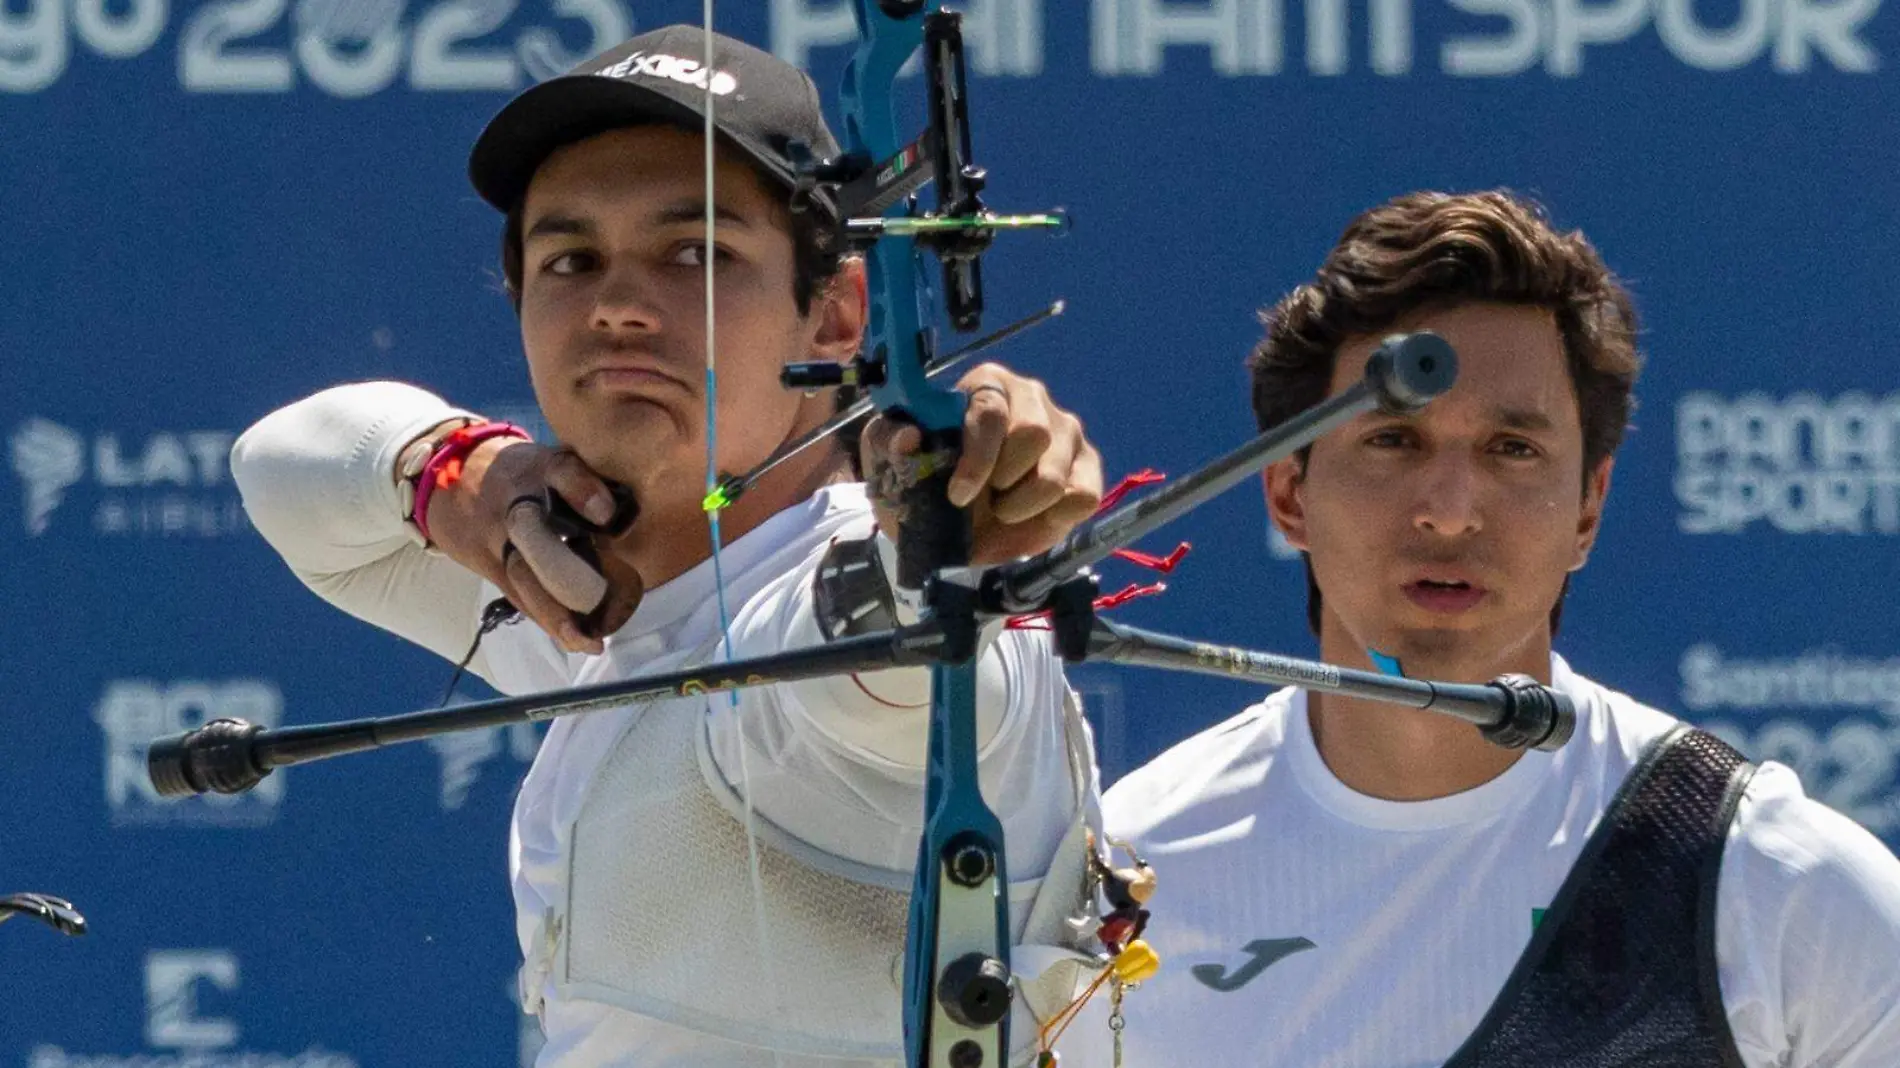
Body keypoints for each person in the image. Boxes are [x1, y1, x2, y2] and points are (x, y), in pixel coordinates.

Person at [232, 25, 1114, 1068]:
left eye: (697, 254)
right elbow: (280, 469)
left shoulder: (833, 611)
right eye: (571, 260)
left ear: (836, 314)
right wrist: (459, 474)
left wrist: (944, 535)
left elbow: (880, 661)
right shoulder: (582, 601)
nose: (615, 306)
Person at [1074, 190, 1900, 1067]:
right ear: (1289, 493)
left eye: (1513, 450)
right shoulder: (1135, 873)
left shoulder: (1770, 881)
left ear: (1588, 509)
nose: (1451, 511)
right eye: (1394, 440)